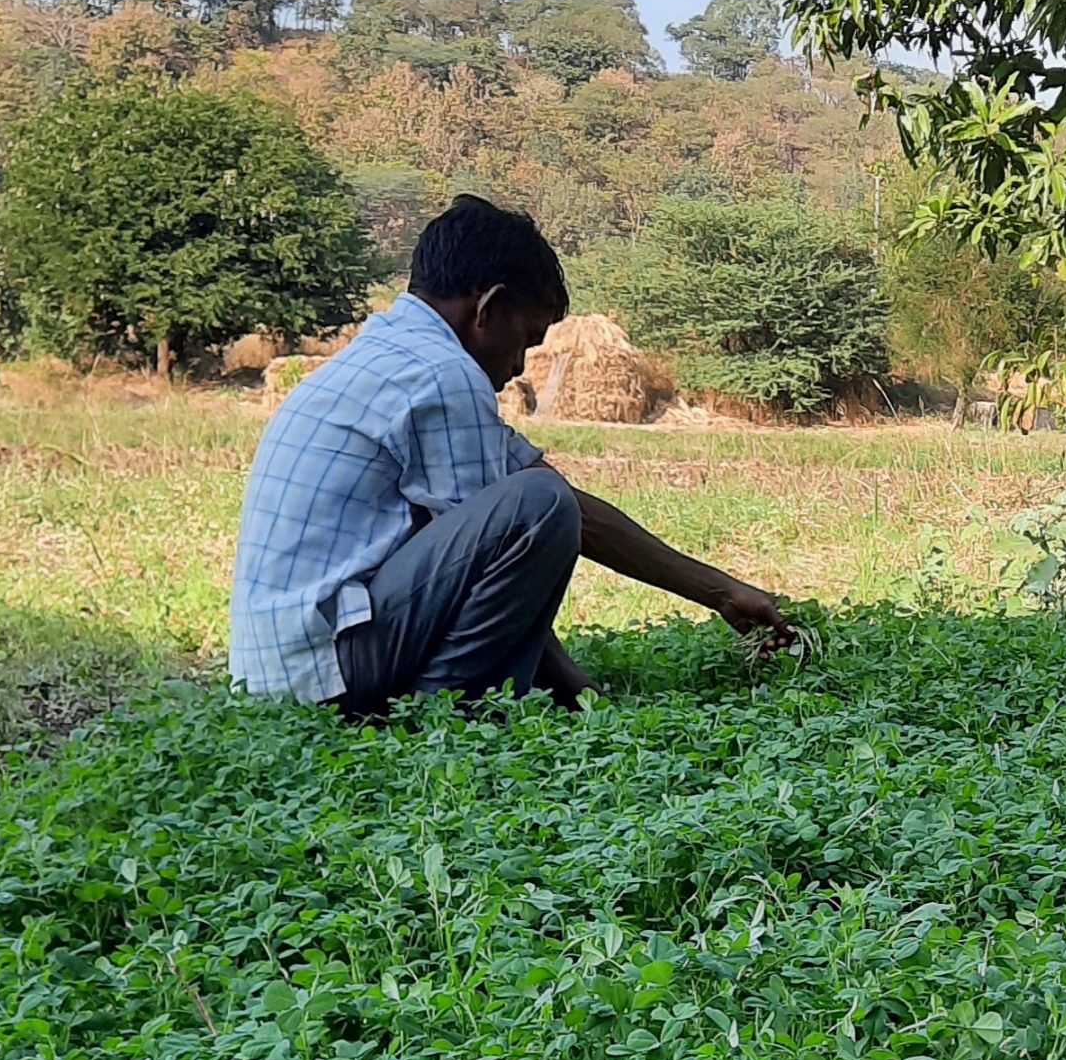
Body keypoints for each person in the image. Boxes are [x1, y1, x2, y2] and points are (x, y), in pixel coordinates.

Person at [229, 195, 792, 717]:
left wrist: (720, 591)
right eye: (525, 338)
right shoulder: (442, 374)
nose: (520, 366)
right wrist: (588, 702)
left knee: (540, 501)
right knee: (537, 505)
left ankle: (443, 702)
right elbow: (524, 531)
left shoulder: (397, 350)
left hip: (290, 665)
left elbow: (563, 513)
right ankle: (442, 717)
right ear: (489, 307)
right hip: (324, 671)